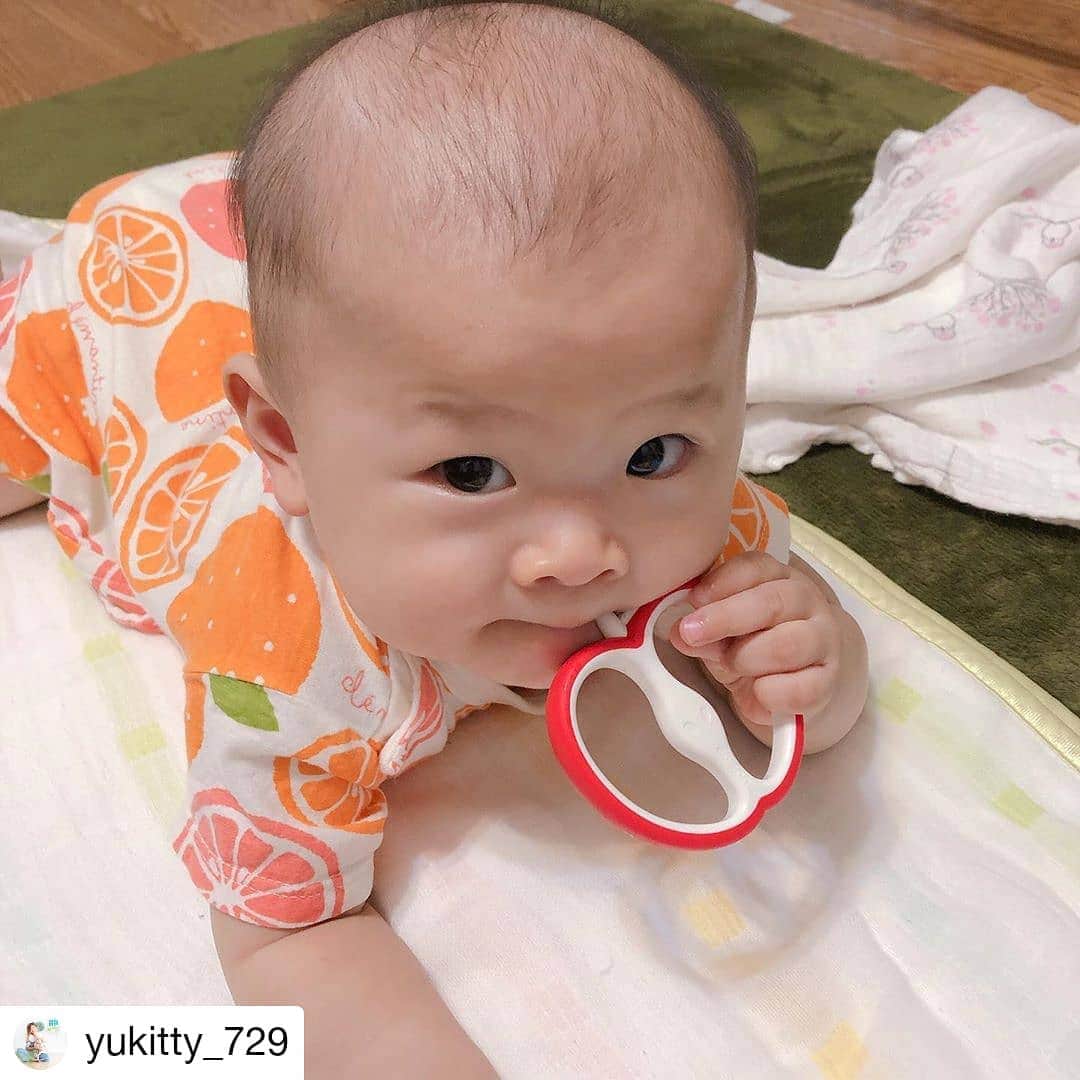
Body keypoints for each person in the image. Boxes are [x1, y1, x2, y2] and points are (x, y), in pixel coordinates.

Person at [0, 1, 869, 1074]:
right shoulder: (288, 665)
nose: (579, 554)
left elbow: (809, 710)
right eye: (470, 473)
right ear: (284, 444)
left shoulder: (701, 533)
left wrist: (813, 668)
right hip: (111, 307)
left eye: (652, 451)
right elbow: (284, 934)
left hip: (289, 255)